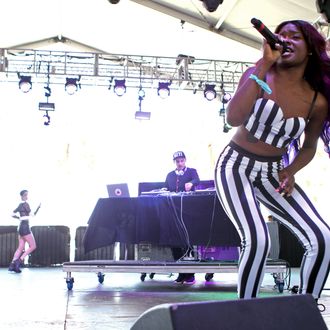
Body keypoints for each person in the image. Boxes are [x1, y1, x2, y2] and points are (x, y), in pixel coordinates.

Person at [215, 20, 330, 301]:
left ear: (311, 49)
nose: (285, 39)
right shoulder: (259, 73)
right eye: (282, 35)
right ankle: (245, 312)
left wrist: (291, 171)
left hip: (273, 174)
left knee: (323, 239)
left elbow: (308, 147)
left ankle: (306, 309)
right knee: (257, 240)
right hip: (235, 166)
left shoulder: (317, 100)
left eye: (295, 36)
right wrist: (263, 65)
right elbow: (233, 119)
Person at [165, 151, 200, 284]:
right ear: (174, 162)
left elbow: (197, 180)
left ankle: (190, 274)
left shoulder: (192, 171)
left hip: (188, 210)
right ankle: (181, 272)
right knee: (174, 242)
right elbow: (166, 188)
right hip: (173, 210)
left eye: (181, 160)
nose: (179, 163)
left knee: (188, 242)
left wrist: (191, 183)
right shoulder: (169, 175)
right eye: (177, 161)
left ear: (185, 160)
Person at [9, 190, 39, 273]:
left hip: (20, 227)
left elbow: (12, 214)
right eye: (25, 195)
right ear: (22, 196)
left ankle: (12, 265)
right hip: (25, 227)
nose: (27, 197)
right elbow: (32, 215)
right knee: (33, 246)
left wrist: (19, 218)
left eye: (27, 195)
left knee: (20, 248)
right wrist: (38, 208)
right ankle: (19, 261)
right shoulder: (26, 204)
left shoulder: (19, 205)